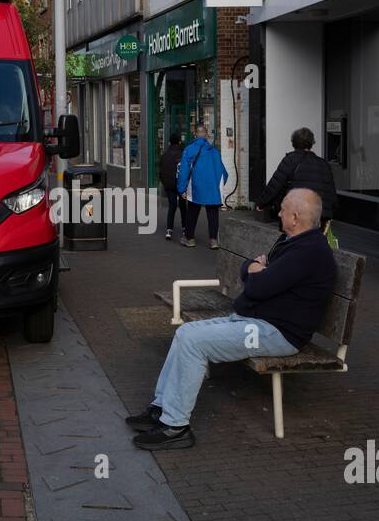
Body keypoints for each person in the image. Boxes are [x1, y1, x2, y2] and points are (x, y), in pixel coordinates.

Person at [129, 189, 336, 450]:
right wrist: (254, 270)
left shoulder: (308, 252)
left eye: (282, 209)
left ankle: (176, 426)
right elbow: (254, 274)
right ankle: (161, 408)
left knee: (193, 342)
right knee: (186, 332)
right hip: (257, 321)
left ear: (295, 217)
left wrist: (256, 272)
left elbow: (257, 287)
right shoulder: (294, 242)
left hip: (277, 333)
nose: (278, 212)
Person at [257, 127, 338, 233]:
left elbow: (275, 185)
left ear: (293, 143)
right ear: (312, 143)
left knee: (293, 246)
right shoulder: (324, 164)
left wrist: (262, 203)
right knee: (315, 246)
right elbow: (331, 193)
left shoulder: (290, 160)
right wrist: (330, 212)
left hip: (296, 215)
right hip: (319, 216)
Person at [176, 126, 229, 249]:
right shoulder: (215, 152)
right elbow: (224, 173)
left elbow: (184, 171)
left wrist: (182, 189)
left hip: (196, 187)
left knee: (193, 212)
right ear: (206, 136)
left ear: (195, 135)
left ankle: (190, 239)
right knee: (213, 214)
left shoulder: (189, 150)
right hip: (212, 188)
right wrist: (218, 185)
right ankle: (213, 240)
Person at [159, 132, 185, 241]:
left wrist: (165, 183)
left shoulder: (164, 155)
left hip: (169, 184)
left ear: (170, 142)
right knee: (183, 206)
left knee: (172, 206)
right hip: (180, 184)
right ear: (179, 141)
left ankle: (169, 230)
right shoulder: (183, 154)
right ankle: (185, 228)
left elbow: (161, 172)